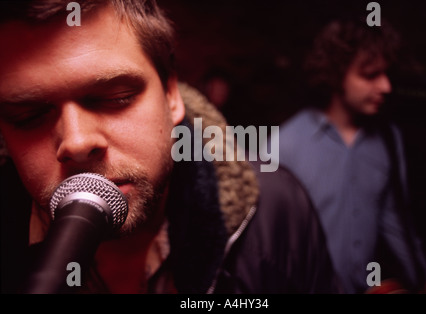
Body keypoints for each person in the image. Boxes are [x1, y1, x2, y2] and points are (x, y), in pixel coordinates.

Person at [0, 0, 340, 294]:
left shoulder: (278, 209)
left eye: (115, 98)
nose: (76, 141)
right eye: (28, 116)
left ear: (171, 94)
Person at [278, 16, 426, 294]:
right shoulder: (285, 144)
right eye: (370, 75)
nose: (386, 86)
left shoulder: (388, 139)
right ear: (336, 74)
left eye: (386, 74)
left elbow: (394, 219)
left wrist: (424, 280)